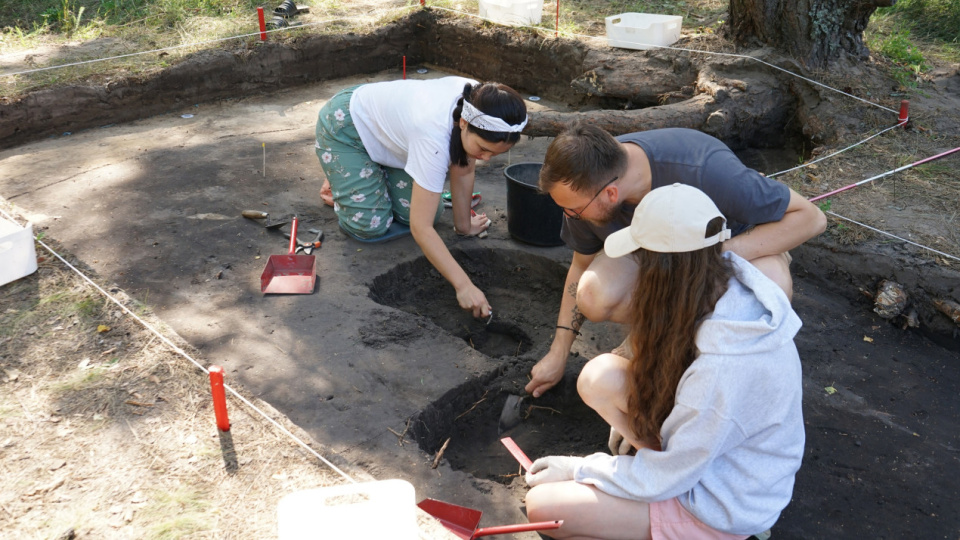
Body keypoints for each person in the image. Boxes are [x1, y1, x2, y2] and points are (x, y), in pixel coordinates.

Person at [524, 183, 805, 540]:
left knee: (546, 507)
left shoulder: (724, 368)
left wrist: (579, 468)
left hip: (723, 503)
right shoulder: (723, 279)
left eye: (640, 258)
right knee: (599, 377)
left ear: (662, 270)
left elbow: (668, 476)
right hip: (707, 459)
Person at [526, 124, 825, 397]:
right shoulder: (584, 188)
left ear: (610, 193)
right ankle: (652, 341)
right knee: (593, 295)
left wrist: (712, 257)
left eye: (574, 211)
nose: (569, 217)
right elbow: (581, 265)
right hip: (649, 248)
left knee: (769, 293)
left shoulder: (708, 171)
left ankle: (703, 367)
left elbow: (811, 218)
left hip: (731, 241)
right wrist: (558, 352)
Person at [315, 77, 527, 318]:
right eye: (483, 149)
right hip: (346, 127)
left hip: (394, 141)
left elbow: (464, 167)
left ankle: (365, 176)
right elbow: (421, 228)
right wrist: (464, 286)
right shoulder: (433, 138)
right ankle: (342, 177)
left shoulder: (483, 102)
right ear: (464, 123)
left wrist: (464, 227)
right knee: (370, 225)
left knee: (429, 212)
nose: (486, 158)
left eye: (495, 153)